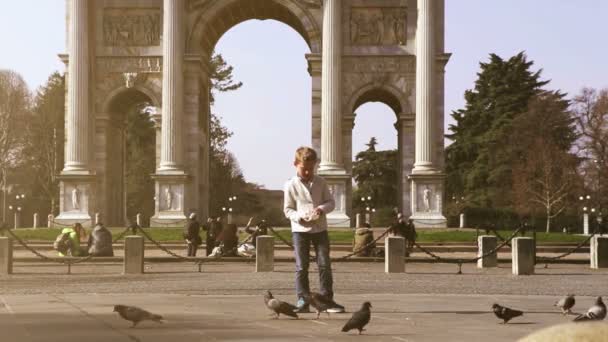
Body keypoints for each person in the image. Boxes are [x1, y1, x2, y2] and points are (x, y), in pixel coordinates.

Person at [283, 146, 344, 314]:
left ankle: (327, 300)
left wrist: (321, 209)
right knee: (301, 267)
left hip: (319, 229)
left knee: (324, 265)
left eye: (311, 169)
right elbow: (287, 209)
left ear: (315, 165)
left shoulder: (321, 182)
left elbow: (331, 202)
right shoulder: (289, 185)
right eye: (304, 169)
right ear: (295, 164)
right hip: (300, 229)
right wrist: (298, 217)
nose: (308, 172)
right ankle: (303, 300)